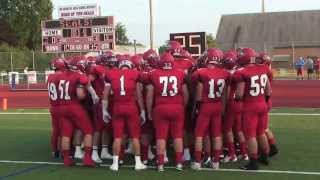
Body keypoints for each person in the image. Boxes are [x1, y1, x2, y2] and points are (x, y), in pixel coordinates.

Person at [146, 52, 189, 172]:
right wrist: (182, 106)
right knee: (177, 136)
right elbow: (185, 93)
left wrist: (149, 111)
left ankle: (160, 164)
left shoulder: (153, 74)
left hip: (161, 107)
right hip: (177, 107)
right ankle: (179, 163)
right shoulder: (180, 73)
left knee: (161, 137)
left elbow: (149, 95)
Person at [103, 58, 147, 171]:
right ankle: (138, 163)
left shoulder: (111, 74)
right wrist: (142, 110)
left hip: (117, 107)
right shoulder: (135, 73)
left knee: (117, 137)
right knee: (135, 137)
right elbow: (139, 95)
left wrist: (104, 110)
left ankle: (115, 164)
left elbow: (105, 95)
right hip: (131, 106)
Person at [191, 48, 229, 170]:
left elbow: (198, 91)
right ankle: (216, 162)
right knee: (217, 135)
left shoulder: (201, 72)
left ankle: (197, 162)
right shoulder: (225, 73)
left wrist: (196, 107)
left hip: (205, 105)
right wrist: (223, 109)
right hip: (217, 105)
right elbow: (224, 95)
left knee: (199, 135)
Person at [235, 48, 272, 170]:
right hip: (262, 103)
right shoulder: (264, 68)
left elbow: (239, 94)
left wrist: (236, 98)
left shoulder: (243, 72)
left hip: (250, 106)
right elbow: (268, 90)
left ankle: (253, 162)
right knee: (261, 132)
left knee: (250, 135)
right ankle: (265, 156)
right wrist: (264, 101)